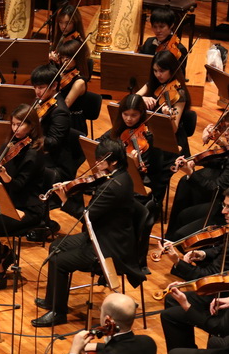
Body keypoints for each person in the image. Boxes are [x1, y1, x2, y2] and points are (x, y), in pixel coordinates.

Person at [33, 139, 145, 327]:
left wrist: (65, 201)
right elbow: (97, 185)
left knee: (58, 260)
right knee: (56, 246)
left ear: (114, 161)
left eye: (100, 160)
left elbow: (87, 216)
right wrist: (73, 184)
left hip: (108, 246)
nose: (96, 164)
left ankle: (58, 313)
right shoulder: (119, 175)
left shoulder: (114, 187)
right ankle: (53, 300)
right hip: (100, 234)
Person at [159, 184, 229, 354]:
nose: (223, 211)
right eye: (224, 205)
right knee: (173, 301)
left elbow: (207, 278)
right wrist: (203, 253)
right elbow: (222, 248)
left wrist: (177, 262)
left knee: (173, 300)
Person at [0, 104, 46, 290]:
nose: (16, 129)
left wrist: (5, 175)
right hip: (7, 201)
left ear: (32, 126)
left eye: (20, 125)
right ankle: (4, 253)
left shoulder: (34, 154)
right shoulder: (12, 144)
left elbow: (18, 186)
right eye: (13, 124)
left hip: (27, 208)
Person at [165, 108, 229, 240]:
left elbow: (216, 189)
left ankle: (183, 248)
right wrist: (200, 161)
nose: (224, 133)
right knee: (184, 215)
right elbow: (224, 161)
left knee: (181, 232)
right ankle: (170, 241)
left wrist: (191, 172)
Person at [136, 49, 192, 156]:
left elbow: (174, 129)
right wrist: (141, 99)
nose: (158, 75)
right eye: (155, 71)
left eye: (162, 71)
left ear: (171, 69)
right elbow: (130, 99)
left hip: (169, 140)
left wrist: (168, 117)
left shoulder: (180, 94)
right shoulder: (153, 84)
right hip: (149, 132)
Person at [30, 63, 74, 185]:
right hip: (40, 152)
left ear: (54, 85)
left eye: (41, 87)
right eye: (35, 87)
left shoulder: (60, 111)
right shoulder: (41, 101)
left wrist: (31, 137)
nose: (37, 91)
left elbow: (53, 142)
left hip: (53, 160)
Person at [53, 39, 90, 135]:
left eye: (68, 57)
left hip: (72, 121)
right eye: (62, 57)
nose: (64, 61)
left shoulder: (79, 82)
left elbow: (66, 104)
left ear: (77, 58)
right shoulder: (62, 73)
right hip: (60, 115)